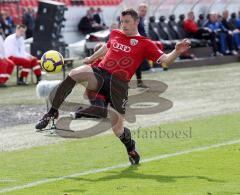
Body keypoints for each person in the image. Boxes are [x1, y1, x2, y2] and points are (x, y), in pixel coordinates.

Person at [35, 8, 190, 165]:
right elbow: (107, 46)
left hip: (119, 86)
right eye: (122, 21)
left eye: (127, 22)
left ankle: (130, 147)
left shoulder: (145, 44)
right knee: (75, 73)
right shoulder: (116, 33)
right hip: (101, 73)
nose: (123, 25)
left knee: (118, 130)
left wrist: (176, 52)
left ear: (136, 22)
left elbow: (165, 60)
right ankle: (52, 113)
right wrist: (92, 58)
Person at [135, 3, 150, 88]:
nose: (144, 12)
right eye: (142, 11)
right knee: (132, 64)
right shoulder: (135, 19)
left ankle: (139, 82)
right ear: (138, 10)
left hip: (140, 43)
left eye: (145, 11)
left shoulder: (141, 19)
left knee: (137, 64)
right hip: (134, 44)